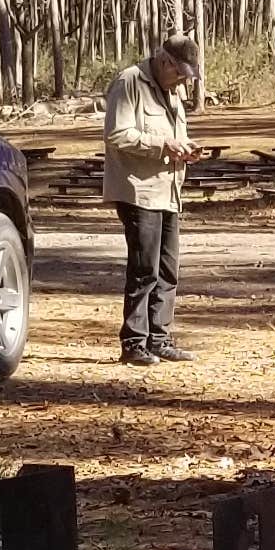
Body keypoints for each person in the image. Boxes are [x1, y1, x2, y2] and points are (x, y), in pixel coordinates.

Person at [101, 35, 198, 365]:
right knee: (144, 268)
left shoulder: (174, 90)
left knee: (168, 270)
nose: (184, 79)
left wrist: (184, 149)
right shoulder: (130, 81)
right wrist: (163, 145)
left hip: (168, 191)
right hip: (138, 191)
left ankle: (160, 337)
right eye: (180, 72)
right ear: (164, 60)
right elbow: (117, 134)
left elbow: (175, 136)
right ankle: (134, 343)